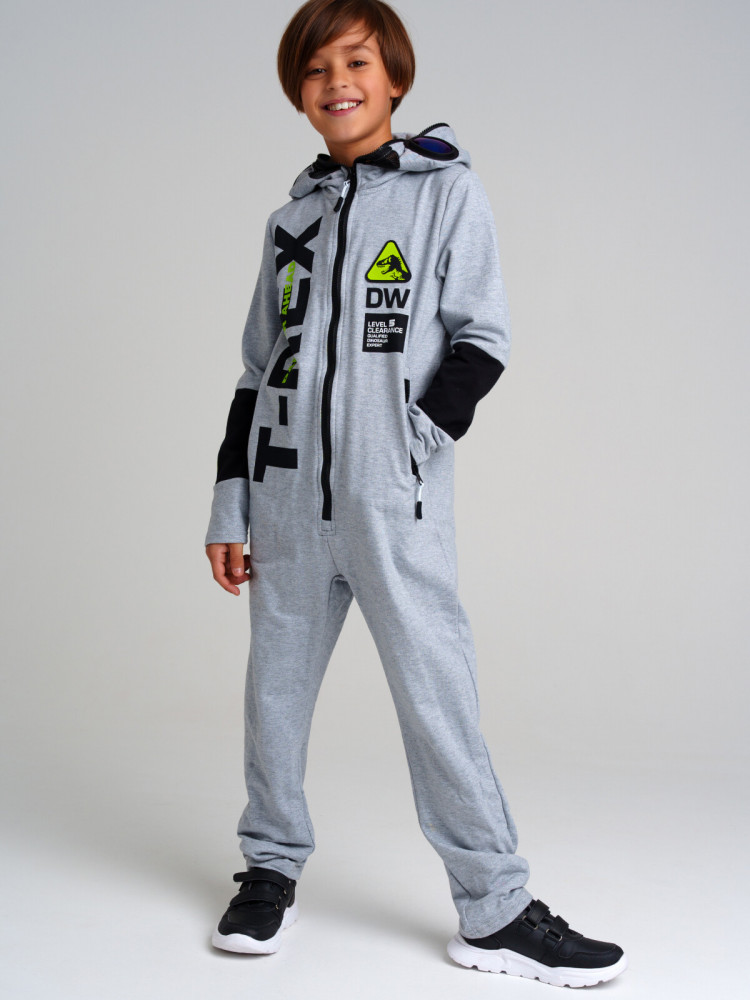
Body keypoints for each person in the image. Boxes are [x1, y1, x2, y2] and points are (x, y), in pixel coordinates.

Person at [203, 0, 627, 988]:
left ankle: (497, 908)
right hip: (284, 506)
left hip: (393, 508)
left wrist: (410, 443)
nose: (336, 82)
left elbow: (482, 338)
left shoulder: (447, 193)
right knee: (274, 699)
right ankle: (269, 866)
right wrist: (232, 504)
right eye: (316, 69)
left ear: (394, 77)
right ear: (299, 94)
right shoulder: (291, 222)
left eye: (355, 62)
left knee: (440, 702)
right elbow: (257, 372)